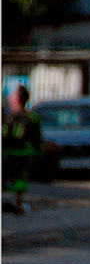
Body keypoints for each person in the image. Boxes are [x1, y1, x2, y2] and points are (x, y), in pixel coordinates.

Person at [2, 85, 42, 214]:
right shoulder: (8, 117)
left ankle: (17, 203)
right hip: (9, 154)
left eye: (13, 94)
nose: (10, 97)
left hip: (21, 154)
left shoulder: (29, 118)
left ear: (18, 98)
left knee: (19, 180)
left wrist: (36, 153)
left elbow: (37, 139)